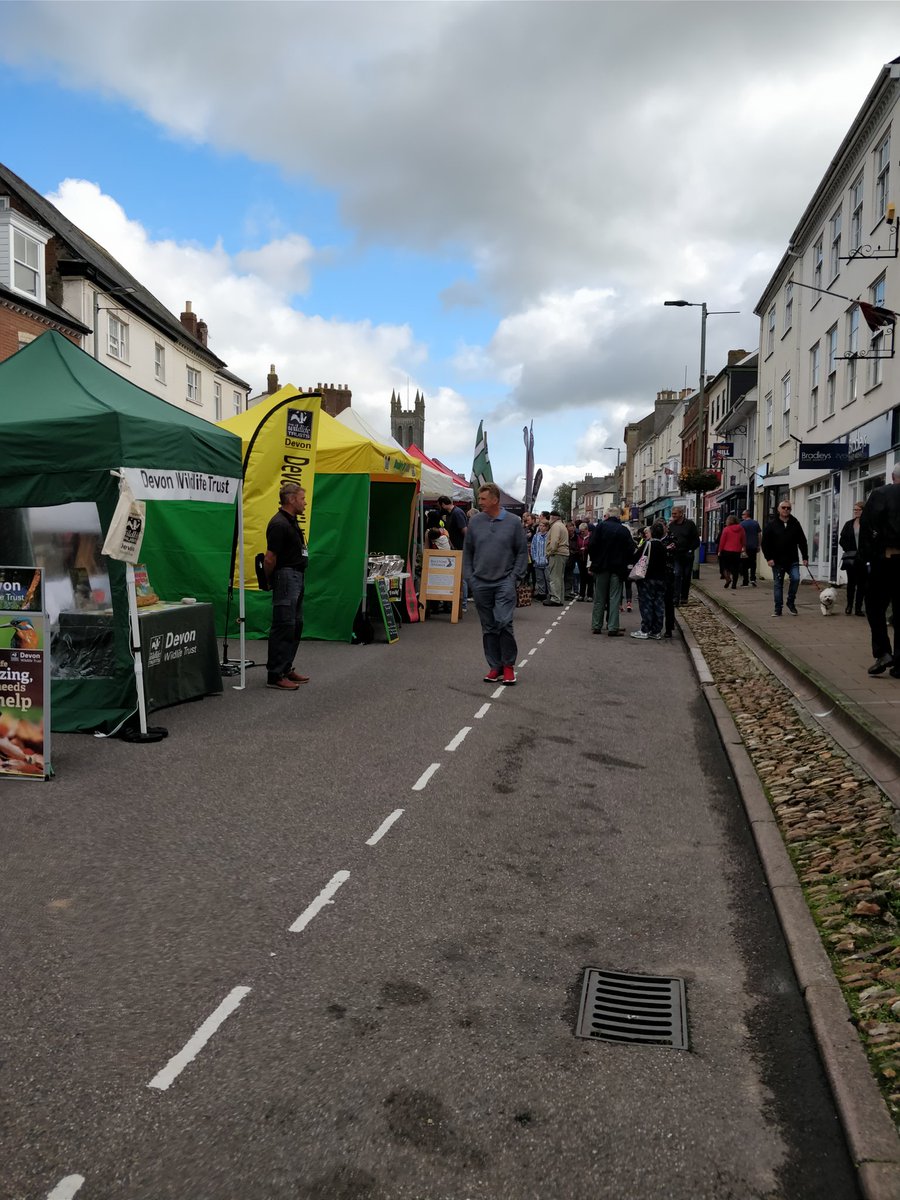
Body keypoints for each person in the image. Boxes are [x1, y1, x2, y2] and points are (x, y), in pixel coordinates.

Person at [464, 483, 528, 686]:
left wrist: (514, 577)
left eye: (483, 499)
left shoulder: (513, 522)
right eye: (479, 498)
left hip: (504, 581)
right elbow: (468, 552)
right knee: (488, 626)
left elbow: (521, 551)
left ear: (495, 499)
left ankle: (508, 667)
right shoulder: (475, 522)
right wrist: (469, 577)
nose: (479, 502)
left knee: (504, 622)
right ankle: (495, 667)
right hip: (480, 581)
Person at [263, 481, 310, 691]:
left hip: (297, 577)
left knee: (295, 624)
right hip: (286, 577)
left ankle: (286, 667)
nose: (305, 503)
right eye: (302, 499)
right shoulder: (279, 524)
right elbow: (270, 557)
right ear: (291, 500)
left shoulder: (291, 521)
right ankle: (275, 674)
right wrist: (269, 579)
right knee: (284, 624)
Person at [859, 464, 900, 677]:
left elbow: (866, 528)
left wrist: (865, 559)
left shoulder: (880, 494)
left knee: (875, 607)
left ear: (893, 477)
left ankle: (883, 652)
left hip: (884, 560)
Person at [587, 506, 635, 637]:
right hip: (618, 568)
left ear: (608, 515)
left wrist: (594, 560)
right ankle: (613, 627)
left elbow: (591, 545)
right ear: (619, 516)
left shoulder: (601, 527)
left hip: (601, 566)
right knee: (614, 598)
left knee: (599, 597)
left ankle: (596, 625)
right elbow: (631, 549)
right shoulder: (623, 530)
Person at [762, 499, 809, 617]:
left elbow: (802, 541)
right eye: (783, 508)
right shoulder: (771, 525)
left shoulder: (795, 523)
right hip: (777, 561)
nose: (786, 510)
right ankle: (778, 608)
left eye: (788, 508)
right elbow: (765, 543)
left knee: (796, 578)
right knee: (778, 584)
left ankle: (790, 602)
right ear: (778, 510)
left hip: (792, 559)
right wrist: (769, 558)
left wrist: (805, 556)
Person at [631, 522, 669, 640]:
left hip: (647, 578)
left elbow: (636, 557)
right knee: (658, 604)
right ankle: (656, 630)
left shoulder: (648, 545)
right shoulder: (663, 546)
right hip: (661, 579)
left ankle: (645, 629)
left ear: (651, 532)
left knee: (647, 603)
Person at [439, 494, 469, 613]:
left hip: (461, 549)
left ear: (442, 504)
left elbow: (464, 530)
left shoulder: (457, 513)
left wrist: (466, 546)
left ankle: (463, 604)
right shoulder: (452, 513)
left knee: (462, 577)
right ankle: (460, 602)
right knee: (458, 576)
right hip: (456, 548)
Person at [667, 506, 700, 604]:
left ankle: (684, 596)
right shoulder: (671, 525)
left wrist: (690, 549)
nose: (673, 516)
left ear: (681, 513)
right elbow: (669, 539)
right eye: (672, 514)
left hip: (687, 555)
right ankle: (676, 597)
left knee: (686, 576)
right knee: (677, 575)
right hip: (676, 555)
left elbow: (696, 540)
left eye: (675, 514)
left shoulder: (690, 524)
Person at [839, 501, 866, 616]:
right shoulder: (849, 524)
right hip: (851, 558)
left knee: (862, 584)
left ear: (864, 511)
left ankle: (858, 608)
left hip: (864, 557)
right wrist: (849, 549)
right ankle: (849, 606)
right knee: (851, 583)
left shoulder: (868, 524)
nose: (856, 512)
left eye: (858, 510)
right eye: (855, 510)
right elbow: (842, 539)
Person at [544, 510, 569, 606]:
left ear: (553, 517)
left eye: (550, 517)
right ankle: (559, 598)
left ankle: (555, 598)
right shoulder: (562, 525)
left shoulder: (555, 526)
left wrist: (549, 552)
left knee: (554, 577)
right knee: (559, 577)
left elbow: (554, 541)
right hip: (563, 553)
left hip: (557, 553)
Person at [717, 514, 746, 590]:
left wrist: (720, 550)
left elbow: (722, 541)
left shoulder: (726, 529)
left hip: (726, 551)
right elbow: (743, 540)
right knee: (735, 568)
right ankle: (734, 585)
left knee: (725, 567)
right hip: (737, 551)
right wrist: (743, 548)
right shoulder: (741, 529)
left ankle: (728, 579)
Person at [739, 509, 762, 587]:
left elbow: (740, 537)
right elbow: (759, 535)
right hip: (753, 547)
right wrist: (759, 545)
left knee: (744, 564)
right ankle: (753, 579)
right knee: (753, 563)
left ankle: (745, 581)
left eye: (743, 514)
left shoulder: (741, 524)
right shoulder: (756, 523)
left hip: (744, 547)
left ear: (746, 515)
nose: (742, 516)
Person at [530, 518, 550, 599]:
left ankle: (550, 594)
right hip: (537, 561)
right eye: (540, 526)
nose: (541, 527)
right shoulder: (536, 536)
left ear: (546, 527)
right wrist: (534, 558)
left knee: (548, 579)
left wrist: (548, 558)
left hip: (546, 561)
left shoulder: (549, 536)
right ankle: (542, 594)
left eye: (543, 526)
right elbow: (533, 547)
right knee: (539, 579)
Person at [576, 523, 593, 601]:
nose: (581, 533)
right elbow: (577, 545)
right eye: (580, 531)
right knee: (582, 577)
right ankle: (581, 595)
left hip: (589, 559)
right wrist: (579, 550)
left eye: (583, 531)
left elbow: (592, 546)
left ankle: (590, 595)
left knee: (590, 577)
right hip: (581, 559)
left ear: (587, 530)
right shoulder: (578, 537)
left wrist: (585, 548)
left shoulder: (591, 537)